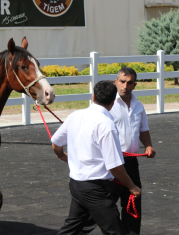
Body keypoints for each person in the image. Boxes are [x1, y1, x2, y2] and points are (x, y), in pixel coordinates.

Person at [51, 80, 142, 235]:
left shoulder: (75, 115)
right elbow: (114, 166)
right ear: (113, 101)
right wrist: (131, 186)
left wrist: (62, 156)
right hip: (95, 189)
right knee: (115, 231)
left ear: (93, 97)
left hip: (76, 184)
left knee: (71, 228)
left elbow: (56, 143)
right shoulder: (106, 124)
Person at [81, 67, 156, 235]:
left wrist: (148, 145)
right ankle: (81, 229)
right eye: (122, 81)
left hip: (131, 162)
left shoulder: (138, 105)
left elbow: (143, 129)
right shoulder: (107, 105)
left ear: (134, 85)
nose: (125, 86)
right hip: (111, 162)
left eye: (129, 83)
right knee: (105, 204)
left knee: (133, 200)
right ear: (116, 82)